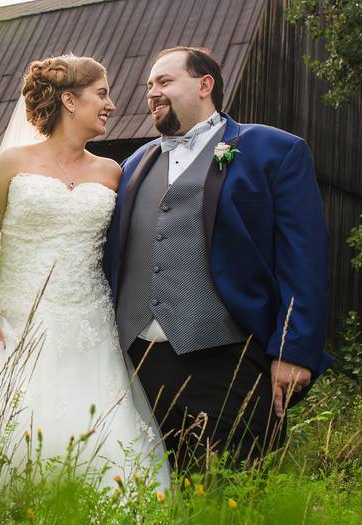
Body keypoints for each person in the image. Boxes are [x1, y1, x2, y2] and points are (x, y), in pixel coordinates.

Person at [0, 54, 170, 492]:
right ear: (70, 100)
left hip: (88, 323)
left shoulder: (113, 174)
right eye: (101, 94)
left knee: (92, 428)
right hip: (15, 319)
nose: (111, 105)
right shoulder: (10, 165)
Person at [103, 46, 333, 470]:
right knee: (146, 493)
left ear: (205, 84)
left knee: (231, 490)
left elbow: (305, 259)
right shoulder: (133, 165)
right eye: (149, 85)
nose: (152, 92)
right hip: (135, 362)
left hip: (227, 356)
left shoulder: (274, 150)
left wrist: (294, 349)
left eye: (164, 82)